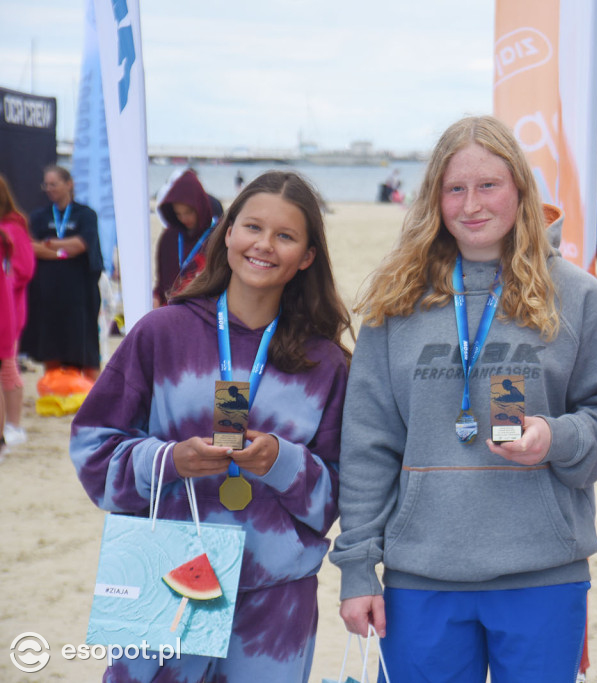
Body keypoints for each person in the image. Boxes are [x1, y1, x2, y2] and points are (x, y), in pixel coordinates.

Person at [329, 115, 597, 682]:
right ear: (434, 198)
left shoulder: (578, 295)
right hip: (420, 578)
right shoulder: (397, 301)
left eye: (489, 185)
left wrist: (554, 439)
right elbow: (368, 444)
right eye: (455, 189)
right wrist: (358, 568)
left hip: (544, 572)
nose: (472, 205)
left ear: (520, 189)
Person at [69, 171, 352, 682]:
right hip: (164, 578)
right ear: (227, 233)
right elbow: (92, 447)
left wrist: (282, 462)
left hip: (273, 600)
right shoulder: (162, 333)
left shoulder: (325, 364)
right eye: (252, 228)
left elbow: (342, 495)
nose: (264, 245)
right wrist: (167, 460)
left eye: (285, 236)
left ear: (307, 256)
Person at [21, 165, 103, 380]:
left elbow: (81, 245)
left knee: (85, 344)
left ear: (69, 184)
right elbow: (30, 247)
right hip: (48, 291)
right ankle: (55, 388)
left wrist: (49, 244)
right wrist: (63, 253)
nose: (49, 189)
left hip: (80, 293)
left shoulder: (86, 214)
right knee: (51, 344)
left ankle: (91, 393)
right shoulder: (39, 216)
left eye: (53, 184)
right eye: (45, 185)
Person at [0, 174, 36, 447]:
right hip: (8, 306)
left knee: (8, 368)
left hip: (9, 309)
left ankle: (13, 426)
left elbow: (24, 269)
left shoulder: (12, 228)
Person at [153, 169, 221, 306]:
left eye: (188, 212)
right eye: (178, 213)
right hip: (171, 309)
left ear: (199, 207)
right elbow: (161, 283)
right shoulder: (169, 237)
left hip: (205, 311)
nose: (184, 218)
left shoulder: (217, 236)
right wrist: (156, 297)